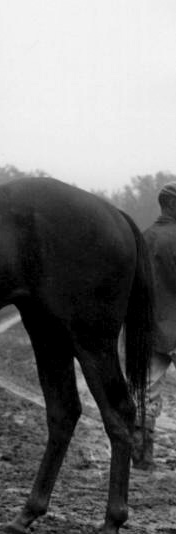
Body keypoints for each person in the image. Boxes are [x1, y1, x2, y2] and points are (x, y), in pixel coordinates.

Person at [131, 183, 176, 470]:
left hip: (149, 330)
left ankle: (142, 458)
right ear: (172, 205)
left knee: (145, 392)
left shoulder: (142, 237)